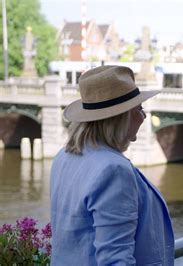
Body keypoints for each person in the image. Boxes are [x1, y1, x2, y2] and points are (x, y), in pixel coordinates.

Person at [50, 65, 174, 265]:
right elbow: (115, 259)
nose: (144, 116)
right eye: (139, 109)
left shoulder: (63, 156)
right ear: (120, 117)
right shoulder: (113, 169)